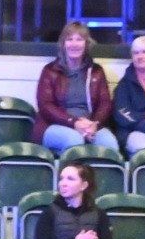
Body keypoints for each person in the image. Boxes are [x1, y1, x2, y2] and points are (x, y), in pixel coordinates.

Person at [34, 22, 118, 153]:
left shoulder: (96, 71)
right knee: (74, 140)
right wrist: (74, 123)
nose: (74, 44)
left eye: (79, 39)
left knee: (110, 143)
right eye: (70, 39)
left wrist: (95, 124)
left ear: (86, 44)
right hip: (54, 125)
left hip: (90, 125)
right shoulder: (50, 71)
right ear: (63, 44)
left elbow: (105, 103)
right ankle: (69, 174)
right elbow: (45, 106)